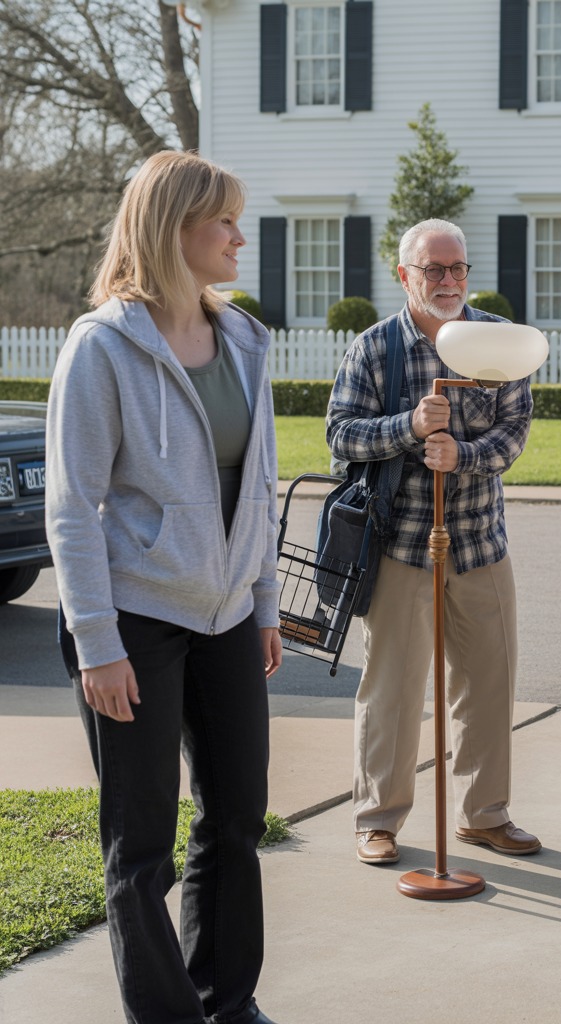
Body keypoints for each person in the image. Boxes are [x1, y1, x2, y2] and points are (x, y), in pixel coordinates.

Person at [45, 151, 283, 1024]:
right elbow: (73, 507)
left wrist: (261, 604)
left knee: (236, 822)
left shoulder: (248, 340)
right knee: (139, 844)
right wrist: (97, 644)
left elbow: (255, 486)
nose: (236, 234)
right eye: (221, 220)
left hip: (226, 617)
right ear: (172, 227)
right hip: (134, 620)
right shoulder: (102, 345)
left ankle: (228, 998)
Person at [326, 218, 541, 865]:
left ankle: (484, 814)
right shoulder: (376, 349)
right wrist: (407, 427)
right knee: (392, 686)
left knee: (488, 682)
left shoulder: (499, 343)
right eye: (432, 270)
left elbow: (514, 433)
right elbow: (340, 437)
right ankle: (378, 818)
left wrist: (464, 455)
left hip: (479, 541)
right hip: (400, 545)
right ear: (405, 276)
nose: (447, 281)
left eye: (457, 269)